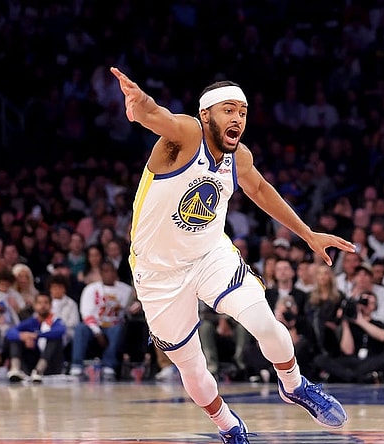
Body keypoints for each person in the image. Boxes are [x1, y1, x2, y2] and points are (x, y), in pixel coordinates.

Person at [110, 67, 351, 443]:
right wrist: (140, 106)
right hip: (159, 273)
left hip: (211, 255)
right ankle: (228, 426)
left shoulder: (238, 157)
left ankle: (294, 384)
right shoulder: (187, 135)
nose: (237, 117)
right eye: (228, 110)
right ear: (206, 115)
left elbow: (262, 190)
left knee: (267, 324)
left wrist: (308, 235)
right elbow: (157, 116)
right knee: (192, 369)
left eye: (242, 111)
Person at [5, 293, 67, 383]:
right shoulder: (31, 322)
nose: (43, 306)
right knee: (16, 338)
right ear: (34, 305)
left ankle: (39, 370)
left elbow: (60, 331)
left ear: (50, 305)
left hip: (51, 363)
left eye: (46, 303)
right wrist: (23, 337)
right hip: (33, 360)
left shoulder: (56, 320)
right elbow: (10, 332)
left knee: (54, 339)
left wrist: (36, 336)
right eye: (39, 303)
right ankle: (15, 369)